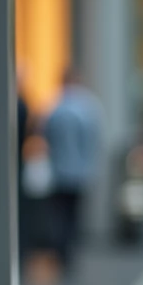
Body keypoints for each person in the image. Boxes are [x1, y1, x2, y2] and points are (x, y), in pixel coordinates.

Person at [42, 68, 102, 269]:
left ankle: (62, 250)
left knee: (59, 213)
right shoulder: (88, 107)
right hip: (81, 170)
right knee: (74, 212)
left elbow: (45, 134)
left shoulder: (54, 106)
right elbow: (94, 139)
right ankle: (70, 250)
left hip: (58, 169)